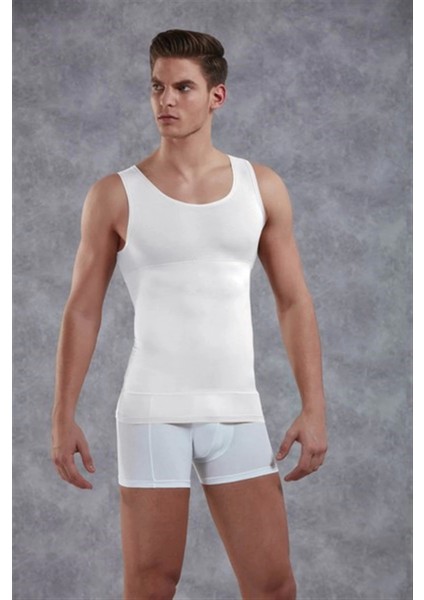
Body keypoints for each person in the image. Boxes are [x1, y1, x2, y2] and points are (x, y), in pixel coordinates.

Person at [51, 29, 327, 600]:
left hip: (237, 413)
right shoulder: (114, 195)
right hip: (153, 414)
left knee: (273, 586)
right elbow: (82, 310)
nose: (166, 100)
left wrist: (314, 407)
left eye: (182, 88)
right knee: (152, 585)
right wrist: (63, 417)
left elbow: (294, 300)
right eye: (157, 87)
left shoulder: (261, 187)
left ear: (216, 96)